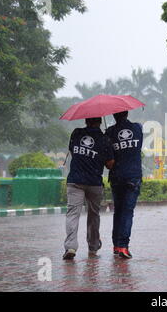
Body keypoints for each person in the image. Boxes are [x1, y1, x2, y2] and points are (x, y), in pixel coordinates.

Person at [63, 117, 115, 260]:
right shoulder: (105, 139)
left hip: (75, 181)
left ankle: (71, 247)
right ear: (99, 121)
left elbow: (73, 152)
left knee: (73, 213)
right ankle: (93, 246)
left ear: (86, 120)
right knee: (93, 215)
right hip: (94, 182)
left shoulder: (76, 133)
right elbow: (110, 164)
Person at [105, 111, 143, 259]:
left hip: (116, 176)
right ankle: (123, 246)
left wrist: (109, 134)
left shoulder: (110, 132)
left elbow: (108, 156)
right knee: (127, 211)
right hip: (133, 176)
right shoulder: (137, 128)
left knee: (118, 211)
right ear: (127, 113)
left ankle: (116, 245)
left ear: (113, 116)